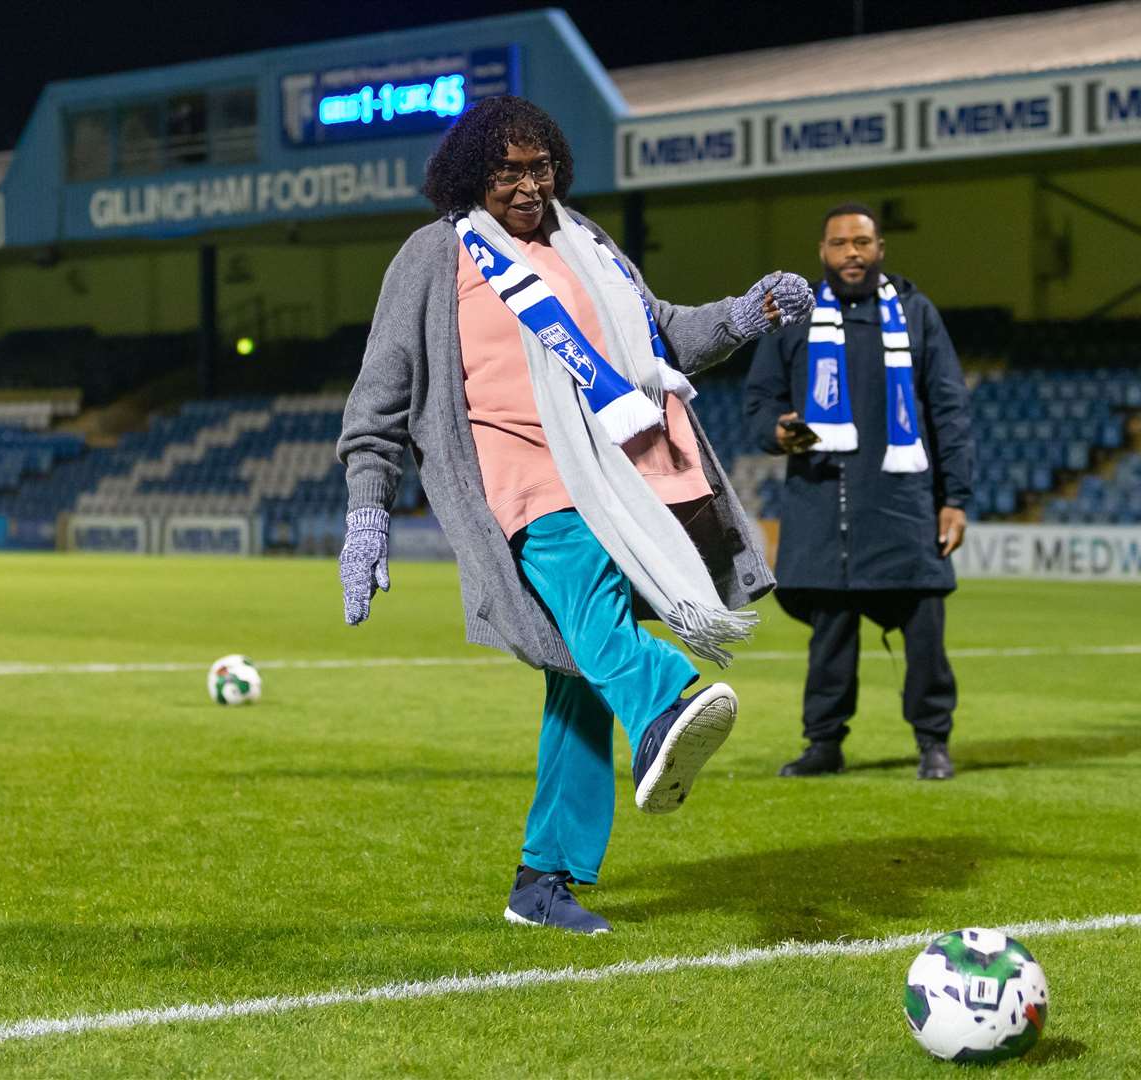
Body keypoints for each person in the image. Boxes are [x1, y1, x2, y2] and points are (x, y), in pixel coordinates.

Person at [336, 96, 813, 933]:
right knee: (589, 607)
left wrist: (745, 315)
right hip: (521, 478)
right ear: (469, 176)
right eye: (506, 171)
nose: (527, 185)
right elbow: (377, 403)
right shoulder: (431, 257)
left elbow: (664, 334)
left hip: (623, 476)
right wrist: (367, 516)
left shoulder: (584, 240)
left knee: (575, 676)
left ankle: (542, 880)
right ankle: (666, 700)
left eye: (539, 168)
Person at [744, 203, 972, 781]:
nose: (852, 253)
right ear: (822, 253)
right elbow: (758, 403)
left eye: (862, 242)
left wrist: (956, 498)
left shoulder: (916, 315)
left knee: (924, 631)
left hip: (902, 504)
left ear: (880, 249)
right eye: (840, 243)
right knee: (831, 638)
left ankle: (933, 741)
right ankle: (824, 743)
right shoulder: (793, 322)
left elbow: (948, 409)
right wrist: (776, 431)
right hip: (823, 502)